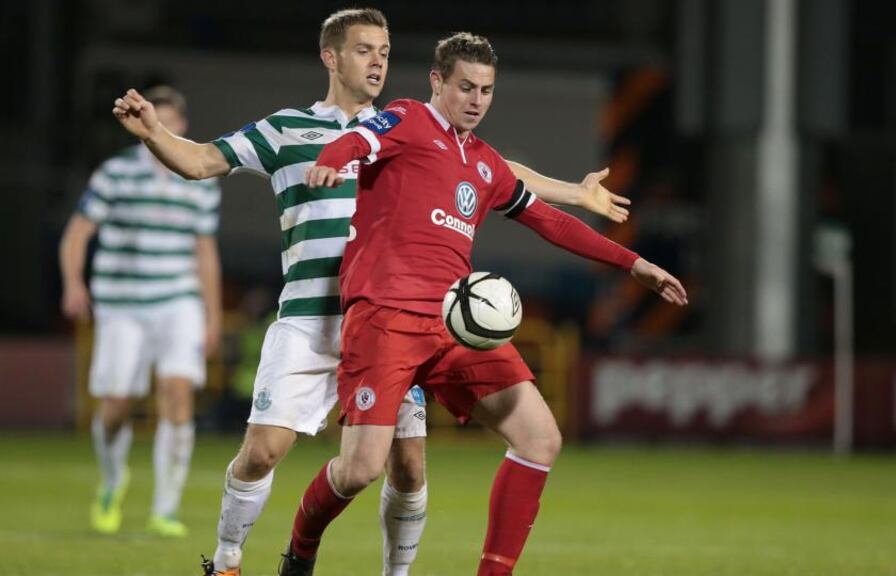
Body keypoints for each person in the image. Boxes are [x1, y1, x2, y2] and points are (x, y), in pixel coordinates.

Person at [112, 9, 630, 575]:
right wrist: (156, 134)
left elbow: (493, 168)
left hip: (390, 321)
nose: (379, 60)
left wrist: (576, 195)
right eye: (364, 50)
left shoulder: (407, 129)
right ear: (330, 57)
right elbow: (204, 159)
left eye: (384, 50)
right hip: (312, 318)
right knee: (263, 452)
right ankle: (229, 560)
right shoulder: (287, 129)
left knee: (408, 467)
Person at [282, 32, 688, 575]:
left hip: (455, 326)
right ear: (437, 82)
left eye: (487, 90)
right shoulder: (406, 119)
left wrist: (633, 264)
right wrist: (332, 158)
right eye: (466, 87)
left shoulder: (486, 163)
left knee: (540, 438)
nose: (476, 100)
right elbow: (356, 141)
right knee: (360, 470)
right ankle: (301, 550)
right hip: (385, 319)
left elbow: (551, 222)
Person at [60, 85, 223, 538]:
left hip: (177, 302)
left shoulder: (198, 176)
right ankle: (113, 480)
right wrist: (74, 283)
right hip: (122, 306)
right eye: (157, 118)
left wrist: (210, 315)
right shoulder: (116, 174)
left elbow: (204, 252)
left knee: (177, 395)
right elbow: (77, 233)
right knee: (115, 408)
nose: (163, 128)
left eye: (171, 121)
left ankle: (165, 508)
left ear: (182, 125)